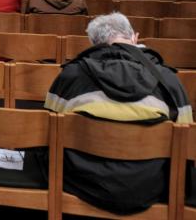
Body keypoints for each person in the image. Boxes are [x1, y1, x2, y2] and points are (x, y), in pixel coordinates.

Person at [44, 13, 192, 215]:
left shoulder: (70, 76)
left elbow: (46, 133)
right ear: (135, 37)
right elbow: (187, 146)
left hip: (81, 180)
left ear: (94, 43)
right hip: (150, 185)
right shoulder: (170, 81)